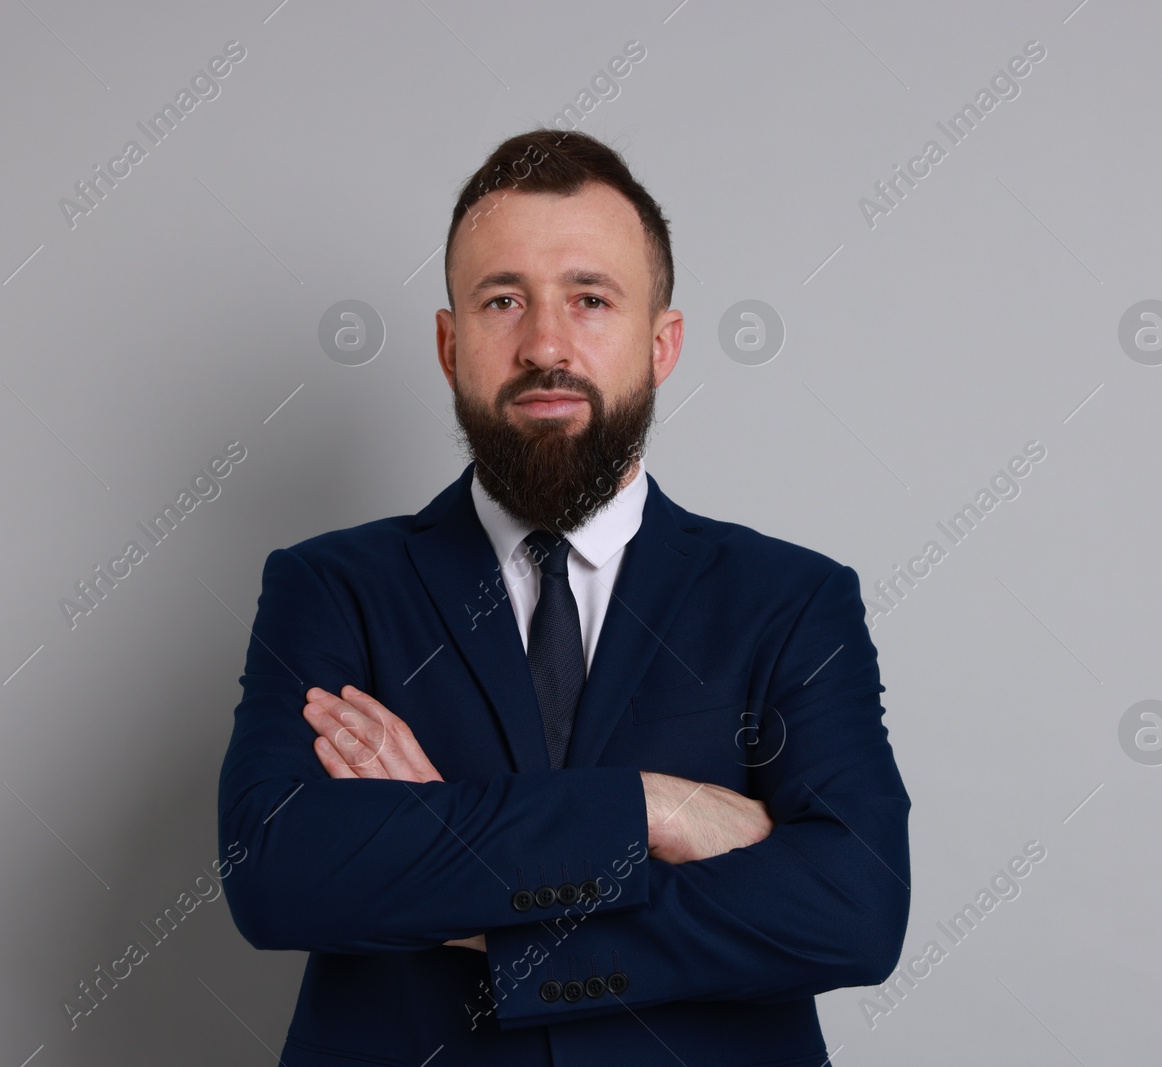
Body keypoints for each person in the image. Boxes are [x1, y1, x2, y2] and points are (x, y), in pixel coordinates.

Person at [218, 128, 911, 1066]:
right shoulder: (331, 588)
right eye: (503, 300)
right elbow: (279, 874)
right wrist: (653, 809)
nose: (545, 344)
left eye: (591, 299)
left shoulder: (792, 600)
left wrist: (457, 880)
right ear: (449, 341)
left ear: (661, 343)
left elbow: (853, 910)